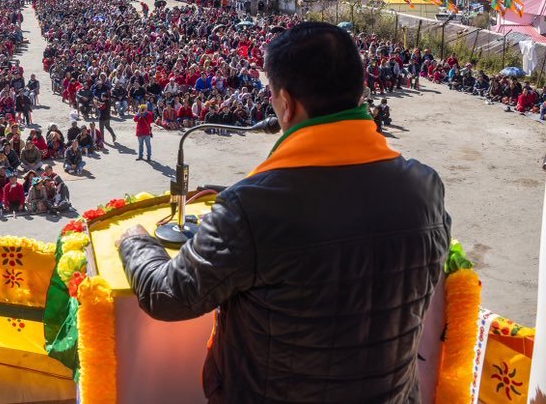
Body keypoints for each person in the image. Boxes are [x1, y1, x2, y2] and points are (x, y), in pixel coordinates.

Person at [118, 21, 450, 402]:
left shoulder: (252, 209)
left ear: (287, 103)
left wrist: (136, 241)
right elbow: (349, 214)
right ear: (360, 90)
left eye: (273, 98)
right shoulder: (425, 187)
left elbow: (169, 295)